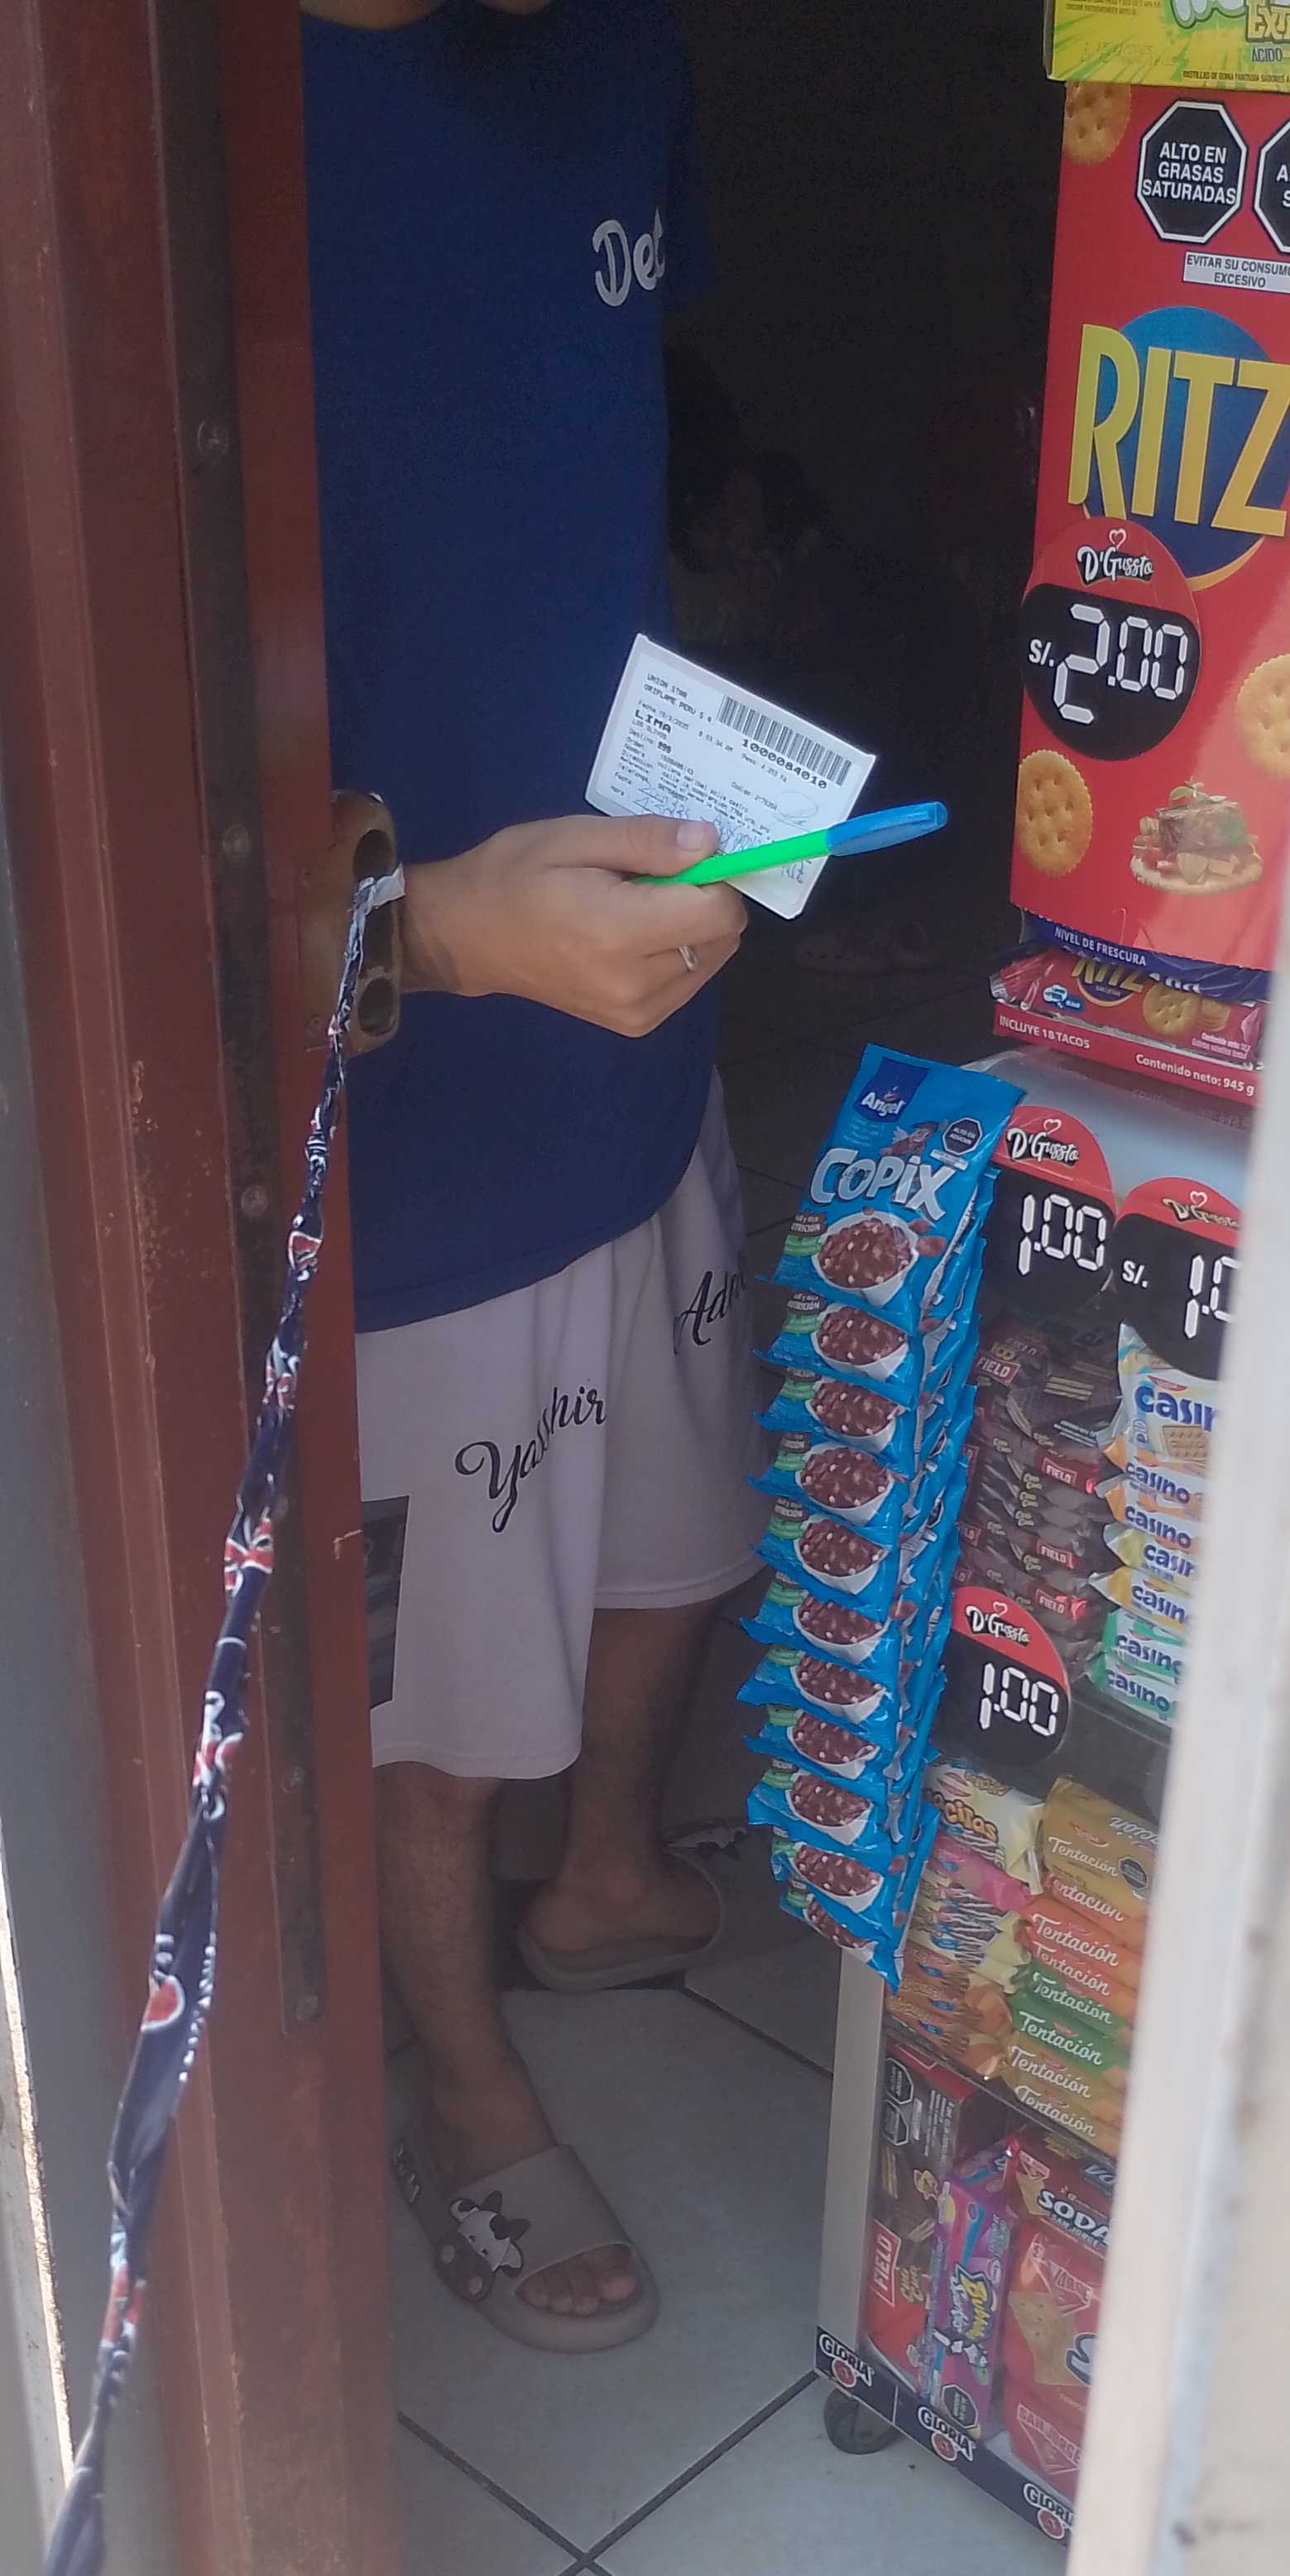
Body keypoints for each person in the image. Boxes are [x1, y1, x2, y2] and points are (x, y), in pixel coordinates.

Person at [302, 0, 758, 2349]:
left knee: (684, 1518)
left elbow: (585, 438)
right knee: (440, 1696)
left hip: (640, 1013)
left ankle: (607, 1878)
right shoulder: (153, 136)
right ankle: (467, 2091)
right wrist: (439, 929)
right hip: (399, 1105)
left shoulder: (612, 57)